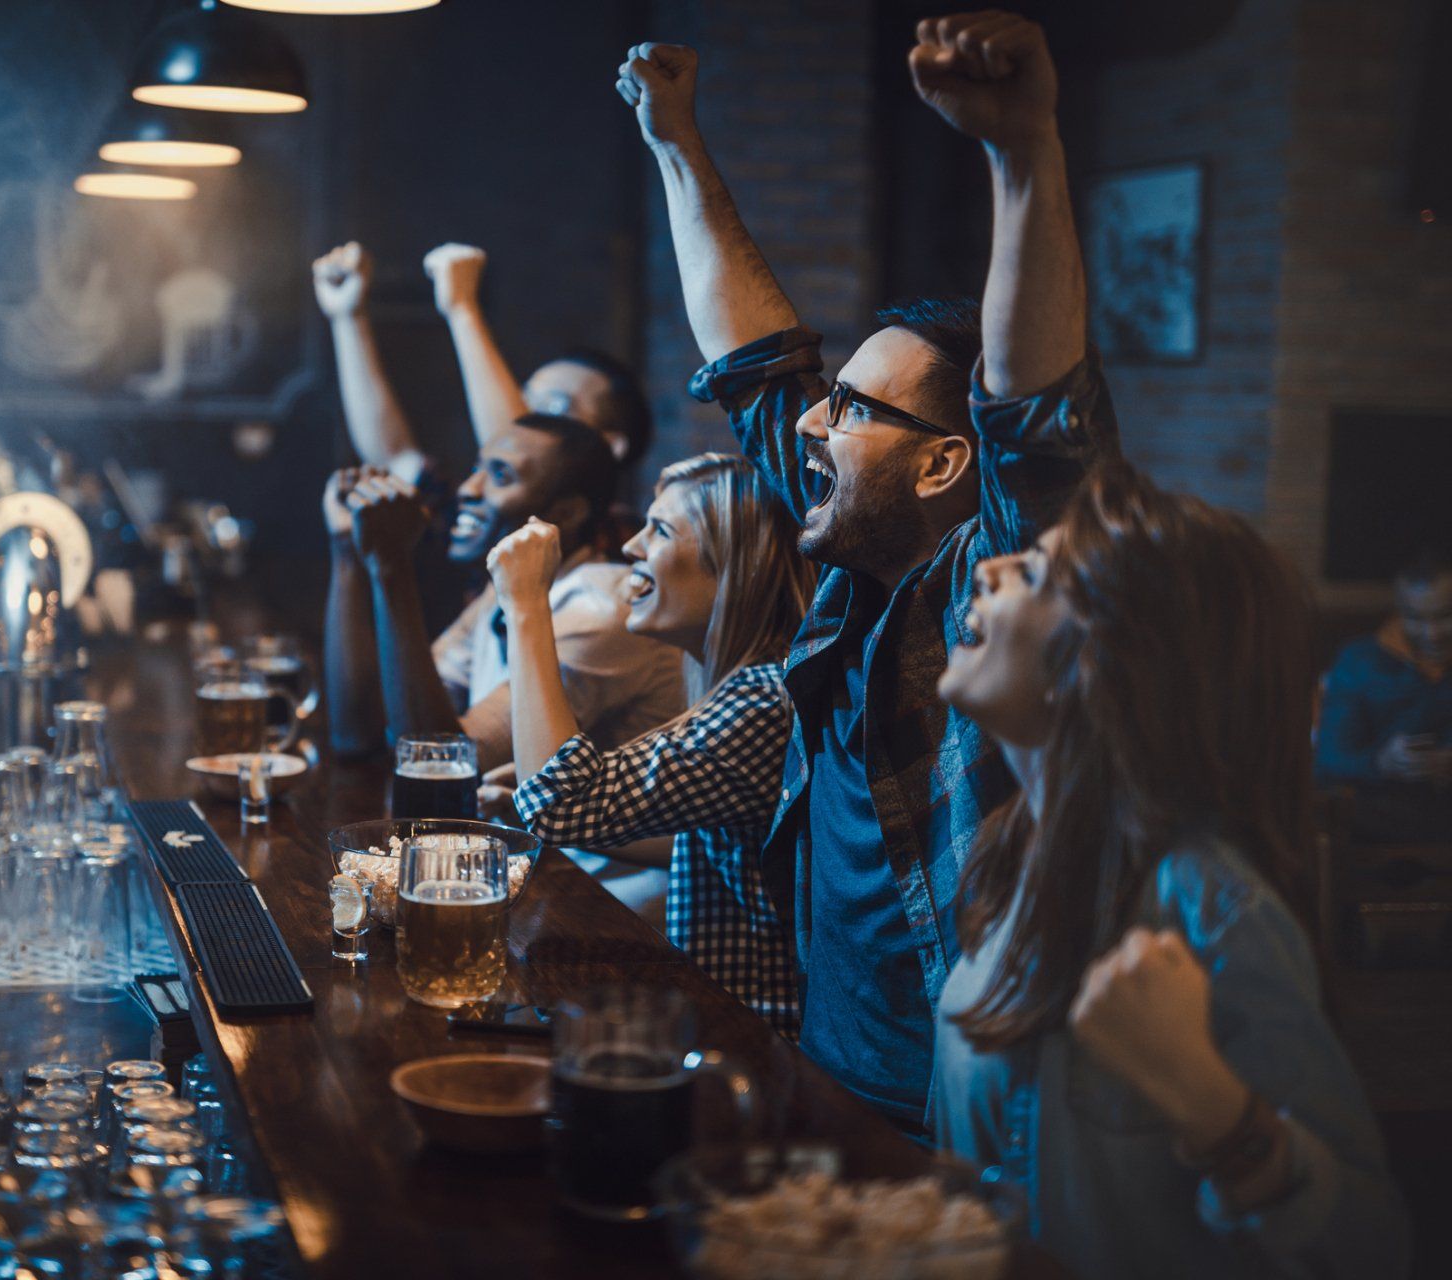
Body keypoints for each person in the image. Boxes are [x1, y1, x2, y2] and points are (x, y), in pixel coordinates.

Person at [621, 11, 1115, 1132]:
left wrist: (1021, 149)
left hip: (951, 1111)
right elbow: (753, 363)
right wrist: (675, 140)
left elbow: (1037, 423)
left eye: (849, 408)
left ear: (946, 460)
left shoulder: (997, 591)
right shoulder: (856, 574)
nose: (808, 424)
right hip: (819, 1069)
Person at [932, 462, 1409, 1278]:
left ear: (1110, 661)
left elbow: (1376, 1252)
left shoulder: (1207, 901)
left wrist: (1214, 1109)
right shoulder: (1007, 861)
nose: (988, 567)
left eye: (1037, 573)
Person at [484, 454, 814, 1032]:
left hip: (750, 1043)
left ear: (736, 567)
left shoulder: (765, 697)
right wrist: (533, 798)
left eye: (659, 530)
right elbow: (710, 842)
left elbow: (559, 804)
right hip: (713, 1021)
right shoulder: (738, 684)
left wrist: (526, 605)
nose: (632, 547)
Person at [322, 415, 685, 771]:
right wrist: (345, 549)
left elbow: (440, 761)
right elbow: (359, 735)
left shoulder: (600, 610)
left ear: (567, 512)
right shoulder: (502, 591)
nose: (468, 488)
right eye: (477, 467)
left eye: (500, 475)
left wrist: (393, 566)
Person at [311, 241, 652, 476]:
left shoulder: (609, 546)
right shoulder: (482, 508)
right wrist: (349, 318)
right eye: (523, 399)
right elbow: (395, 457)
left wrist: (462, 309)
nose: (523, 414)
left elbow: (516, 459)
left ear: (610, 446)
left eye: (553, 406)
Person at [1315, 547, 1452, 842]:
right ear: (1399, 614)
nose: (1432, 634)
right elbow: (1329, 758)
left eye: (1444, 616)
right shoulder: (1360, 662)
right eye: (1416, 618)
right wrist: (1382, 763)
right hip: (1375, 820)